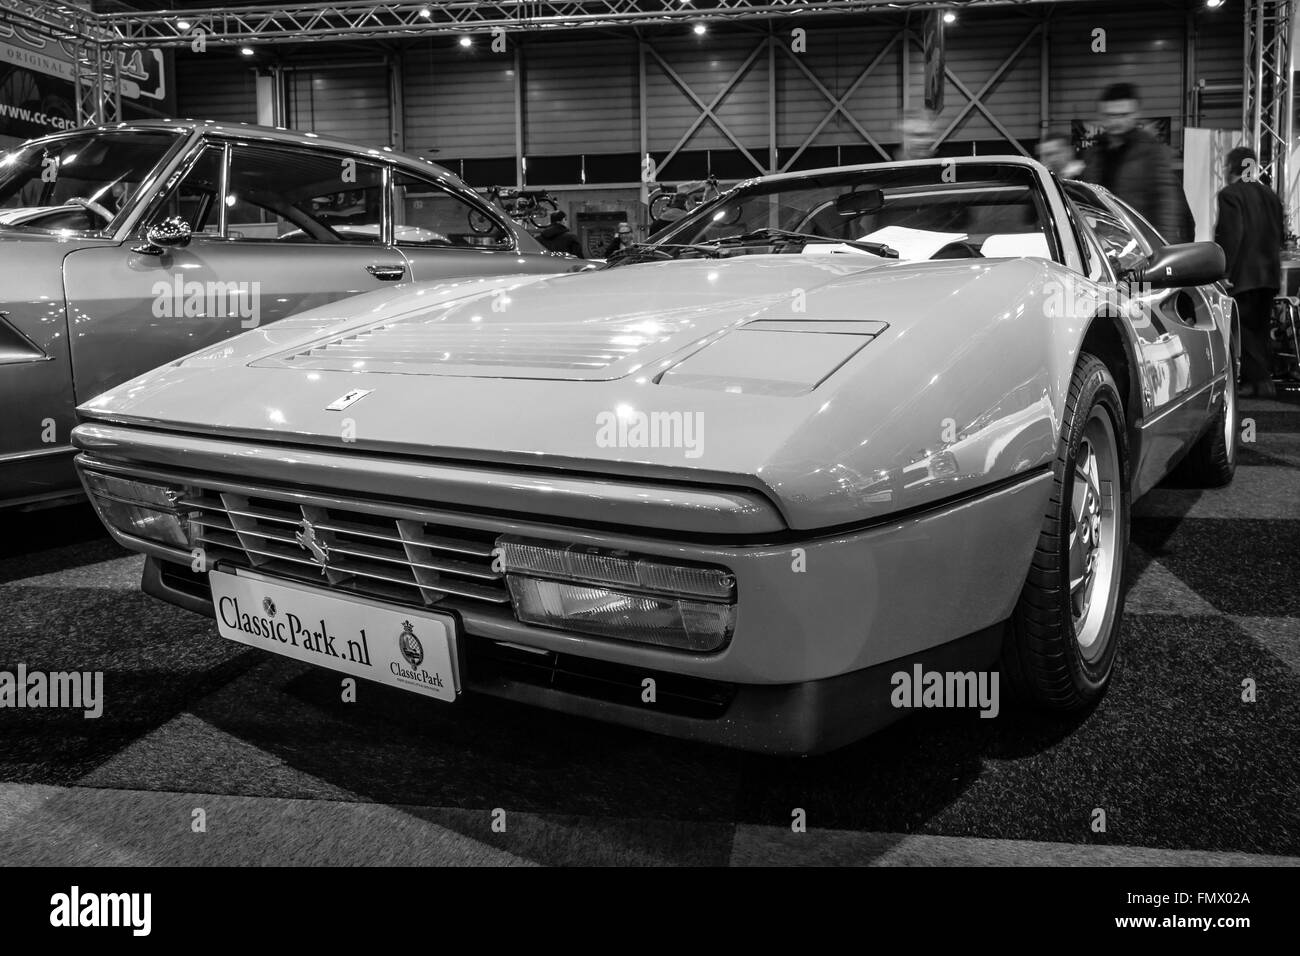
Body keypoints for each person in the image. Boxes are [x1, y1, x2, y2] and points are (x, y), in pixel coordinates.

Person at [1215, 146, 1285, 398]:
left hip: (1243, 275)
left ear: (1231, 167)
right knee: (1260, 329)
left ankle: (1260, 382)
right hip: (1269, 274)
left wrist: (1223, 271)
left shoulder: (1229, 195)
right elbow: (1281, 234)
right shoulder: (1270, 195)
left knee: (1242, 329)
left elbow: (1232, 235)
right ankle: (1258, 382)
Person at [1082, 83, 1190, 243]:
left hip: (1142, 244)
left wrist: (1164, 249)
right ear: (1101, 116)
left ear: (1136, 114)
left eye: (1124, 114)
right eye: (1111, 115)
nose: (1117, 121)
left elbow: (1166, 205)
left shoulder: (1152, 151)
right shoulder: (1094, 153)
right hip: (1101, 243)